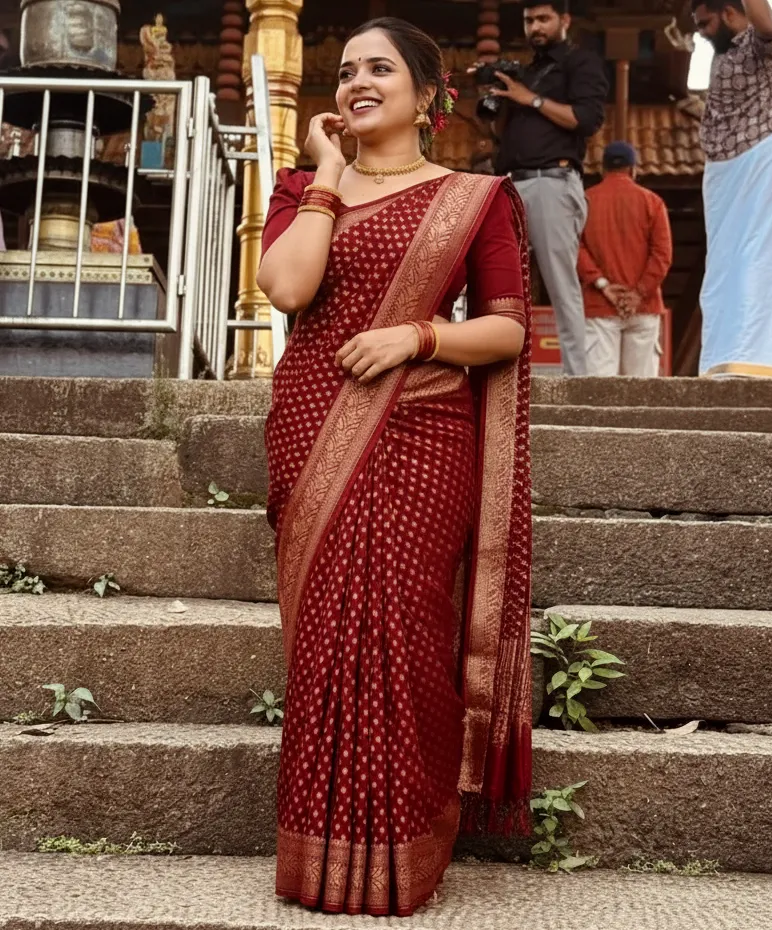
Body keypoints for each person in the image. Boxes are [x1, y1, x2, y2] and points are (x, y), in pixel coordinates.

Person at [257, 17, 533, 918]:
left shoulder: (475, 196)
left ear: (427, 92)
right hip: (311, 426)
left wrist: (419, 335)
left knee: (406, 632)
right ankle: (320, 855)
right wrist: (326, 179)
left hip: (423, 429)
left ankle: (401, 852)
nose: (356, 83)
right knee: (328, 640)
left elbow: (506, 328)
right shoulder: (301, 187)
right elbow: (290, 289)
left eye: (379, 69)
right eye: (344, 73)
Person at [478, 0, 608, 375]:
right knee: (499, 280)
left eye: (543, 19)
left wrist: (529, 98)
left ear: (564, 20)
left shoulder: (581, 64)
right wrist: (501, 97)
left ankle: (576, 377)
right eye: (528, 20)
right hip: (510, 183)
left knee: (560, 282)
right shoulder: (526, 72)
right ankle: (498, 374)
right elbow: (501, 134)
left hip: (552, 181)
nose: (535, 26)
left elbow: (586, 119)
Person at [692, 0, 772, 377]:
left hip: (760, 157)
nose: (700, 31)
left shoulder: (757, 45)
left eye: (705, 22)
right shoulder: (721, 55)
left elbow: (766, 21)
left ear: (729, 13)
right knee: (722, 269)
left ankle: (757, 356)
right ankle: (722, 357)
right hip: (722, 168)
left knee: (757, 256)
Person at [577, 141, 673, 377]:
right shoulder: (652, 202)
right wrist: (638, 293)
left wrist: (603, 284)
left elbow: (573, 248)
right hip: (645, 306)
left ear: (603, 169)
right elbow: (662, 254)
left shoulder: (585, 201)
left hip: (600, 305)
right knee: (641, 392)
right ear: (633, 169)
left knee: (599, 392)